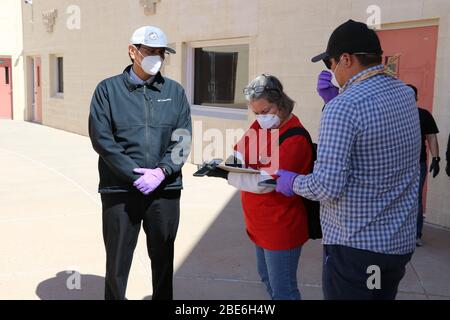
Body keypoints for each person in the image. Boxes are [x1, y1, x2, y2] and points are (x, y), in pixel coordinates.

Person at [276, 20, 421, 300]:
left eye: (331, 64)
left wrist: (292, 182)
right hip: (398, 244)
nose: (332, 72)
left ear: (346, 59)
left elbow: (326, 186)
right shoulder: (404, 94)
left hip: (358, 249)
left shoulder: (343, 107)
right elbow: (379, 147)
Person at [88, 26, 192, 300]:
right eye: (150, 51)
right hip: (120, 191)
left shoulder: (175, 91)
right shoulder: (108, 90)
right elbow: (102, 139)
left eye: (161, 53)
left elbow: (183, 140)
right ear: (132, 51)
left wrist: (162, 171)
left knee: (163, 261)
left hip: (164, 191)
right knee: (118, 263)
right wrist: (133, 175)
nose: (156, 57)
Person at [203, 74, 314, 300]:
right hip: (258, 225)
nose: (260, 118)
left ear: (281, 103)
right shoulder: (261, 126)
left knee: (283, 292)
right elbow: (239, 154)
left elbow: (265, 184)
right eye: (256, 113)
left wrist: (226, 176)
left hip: (281, 228)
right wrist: (226, 165)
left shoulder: (294, 139)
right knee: (267, 280)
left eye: (265, 111)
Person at [406, 84, 440, 247]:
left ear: (416, 97)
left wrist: (436, 158)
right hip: (395, 165)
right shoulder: (393, 114)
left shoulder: (423, 115)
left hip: (418, 164)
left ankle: (415, 235)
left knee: (416, 199)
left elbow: (431, 137)